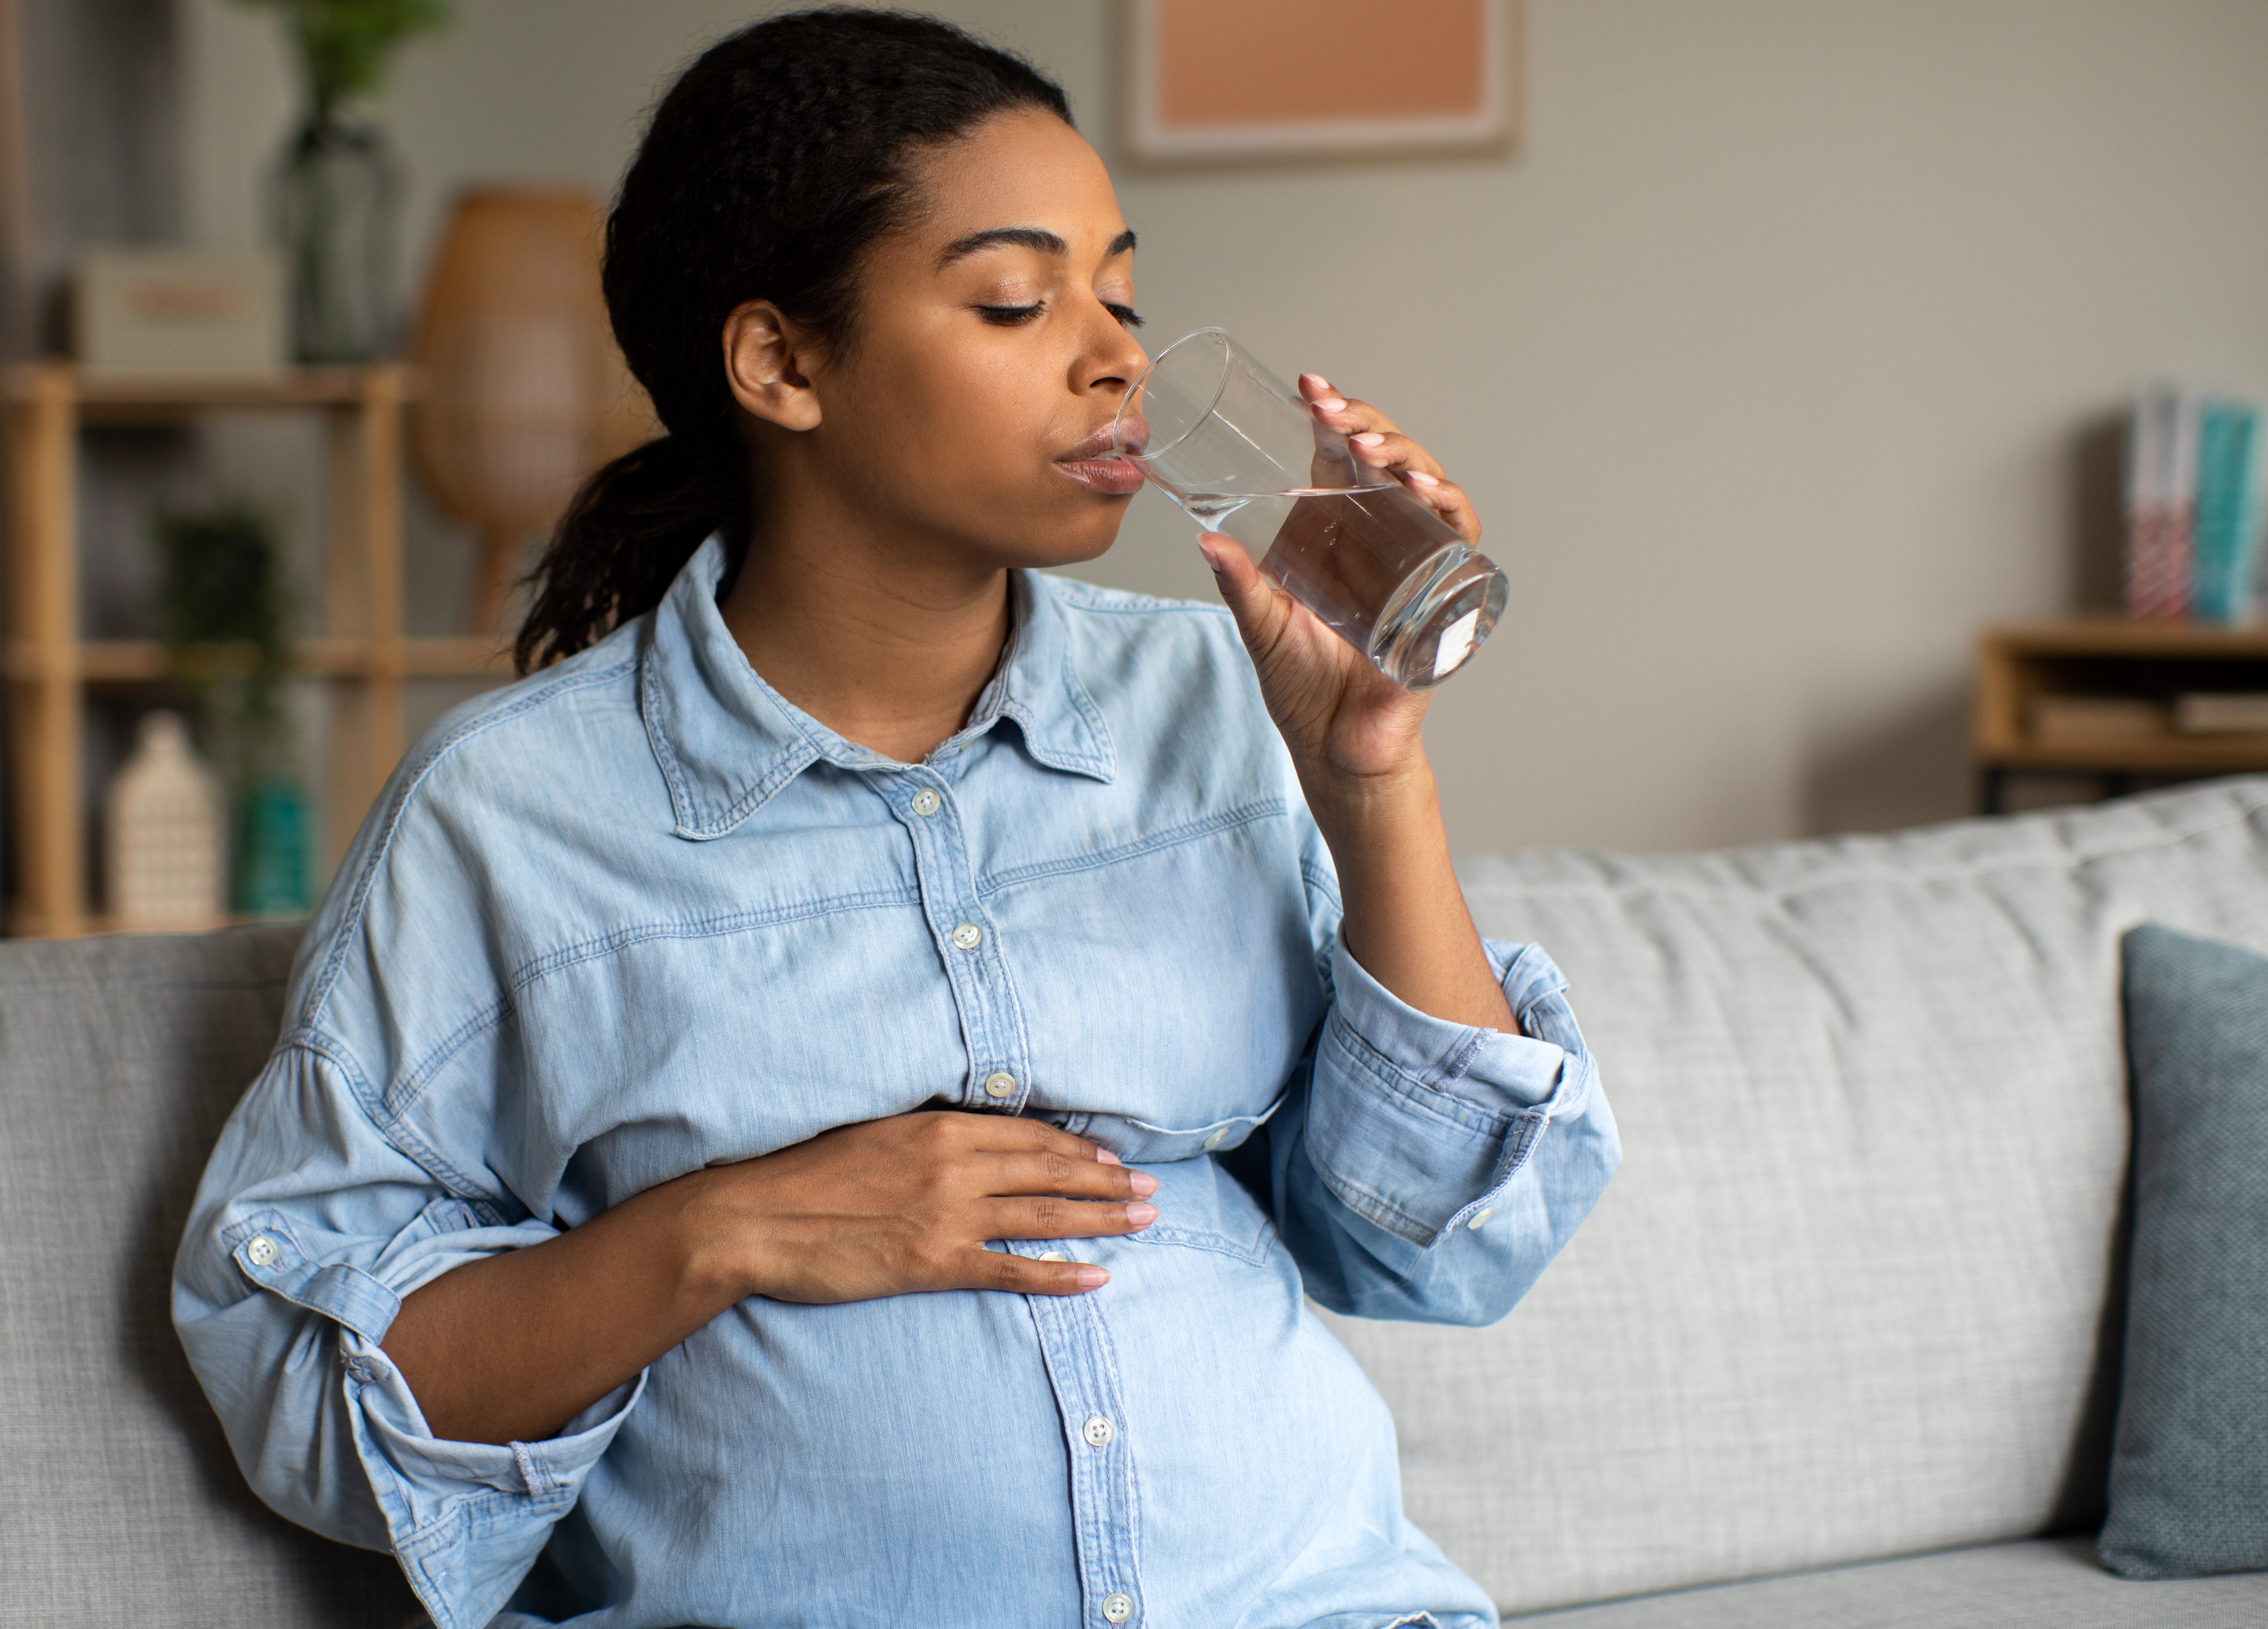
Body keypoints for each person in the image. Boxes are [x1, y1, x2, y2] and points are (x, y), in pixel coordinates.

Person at [174, 11, 1619, 1627]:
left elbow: (1444, 1248)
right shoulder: (511, 817)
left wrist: (1373, 780)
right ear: (782, 362)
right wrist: (721, 1230)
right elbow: (306, 1375)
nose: (1117, 355)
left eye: (1119, 292)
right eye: (1016, 299)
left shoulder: (1225, 708)